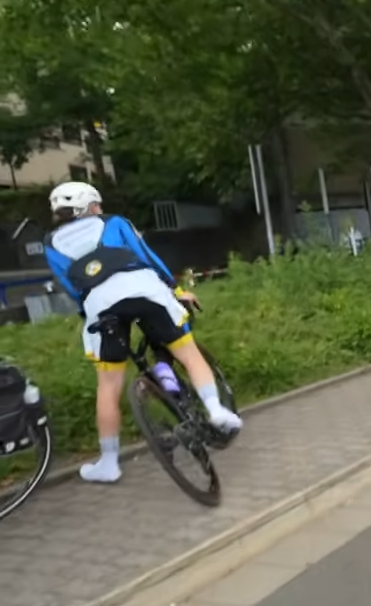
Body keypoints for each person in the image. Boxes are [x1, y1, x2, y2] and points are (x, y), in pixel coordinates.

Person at [43, 181, 242, 483]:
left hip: (100, 305)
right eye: (98, 204)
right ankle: (216, 411)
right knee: (188, 353)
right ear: (91, 206)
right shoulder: (114, 222)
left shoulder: (50, 242)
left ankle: (109, 463)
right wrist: (176, 290)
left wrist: (91, 313)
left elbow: (71, 286)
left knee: (108, 386)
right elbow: (147, 257)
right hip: (144, 290)